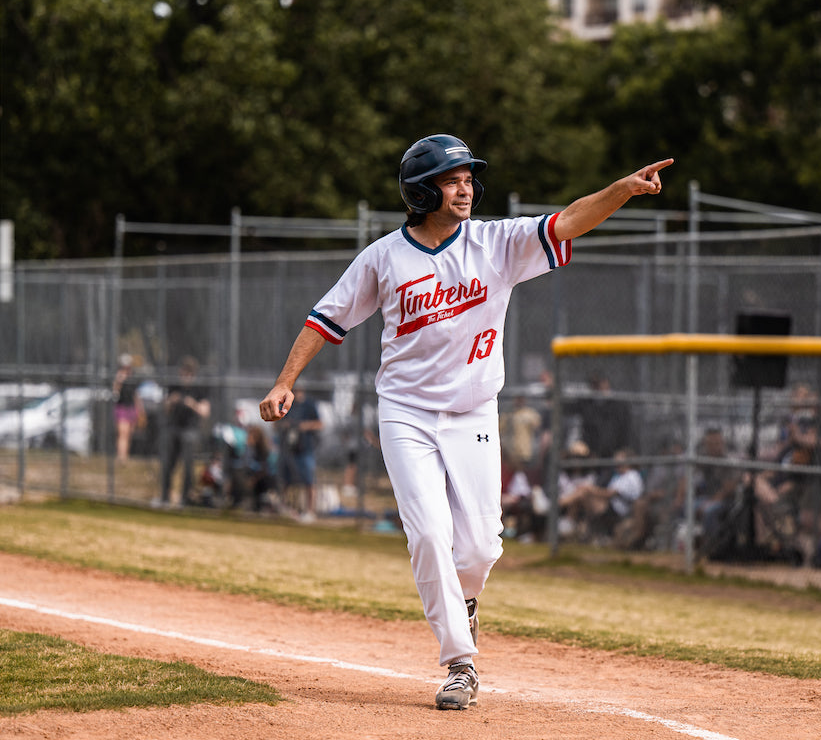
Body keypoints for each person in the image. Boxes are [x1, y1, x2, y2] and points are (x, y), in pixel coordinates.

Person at [258, 133, 672, 710]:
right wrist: (285, 380)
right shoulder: (385, 257)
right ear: (423, 191)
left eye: (469, 179)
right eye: (453, 181)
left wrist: (621, 191)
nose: (466, 189)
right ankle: (460, 662)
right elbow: (326, 318)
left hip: (475, 410)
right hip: (405, 412)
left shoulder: (496, 243)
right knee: (428, 532)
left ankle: (466, 600)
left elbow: (569, 221)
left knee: (479, 548)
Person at [157, 356, 211, 508]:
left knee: (188, 465)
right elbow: (165, 409)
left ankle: (185, 498)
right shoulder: (174, 386)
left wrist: (191, 403)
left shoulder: (199, 389)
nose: (185, 376)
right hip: (173, 428)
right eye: (183, 372)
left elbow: (205, 412)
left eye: (189, 373)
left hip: (190, 430)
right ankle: (165, 496)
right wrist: (171, 401)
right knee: (168, 463)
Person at [277, 386, 323, 522]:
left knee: (309, 480)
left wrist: (304, 426)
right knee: (286, 479)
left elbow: (320, 424)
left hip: (305, 448)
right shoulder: (287, 405)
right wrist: (284, 425)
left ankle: (310, 511)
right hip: (288, 448)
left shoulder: (309, 405)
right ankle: (284, 507)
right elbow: (275, 424)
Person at [111, 354, 143, 462]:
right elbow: (115, 392)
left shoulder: (133, 378)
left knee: (128, 434)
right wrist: (119, 380)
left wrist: (139, 409)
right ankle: (121, 456)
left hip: (131, 408)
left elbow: (135, 395)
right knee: (122, 432)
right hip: (122, 407)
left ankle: (125, 455)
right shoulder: (119, 377)